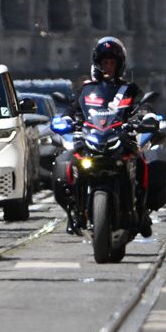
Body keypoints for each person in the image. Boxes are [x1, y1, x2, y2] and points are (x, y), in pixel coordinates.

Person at [59, 36, 150, 237]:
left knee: (144, 162)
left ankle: (142, 210)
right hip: (93, 138)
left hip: (121, 139)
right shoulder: (86, 89)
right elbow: (73, 109)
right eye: (104, 62)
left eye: (112, 62)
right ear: (97, 64)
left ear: (120, 65)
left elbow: (141, 106)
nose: (108, 67)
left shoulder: (129, 89)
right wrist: (65, 120)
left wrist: (145, 117)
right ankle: (74, 211)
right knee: (64, 163)